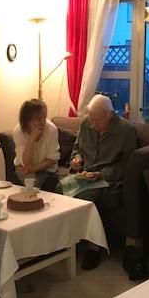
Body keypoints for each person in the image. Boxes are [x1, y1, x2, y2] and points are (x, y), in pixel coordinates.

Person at [60, 94, 137, 270]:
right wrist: (77, 159)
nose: (93, 125)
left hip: (107, 178)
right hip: (83, 174)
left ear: (110, 114)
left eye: (98, 120)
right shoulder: (86, 123)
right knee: (59, 190)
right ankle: (65, 240)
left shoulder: (126, 130)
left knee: (86, 196)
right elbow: (77, 148)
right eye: (91, 119)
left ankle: (94, 247)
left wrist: (102, 174)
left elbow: (128, 165)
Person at [13, 99, 60, 189]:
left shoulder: (51, 129)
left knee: (35, 185)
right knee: (31, 184)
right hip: (23, 166)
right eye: (38, 119)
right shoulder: (18, 131)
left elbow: (52, 159)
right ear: (27, 120)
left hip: (46, 168)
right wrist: (31, 139)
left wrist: (31, 169)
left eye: (44, 117)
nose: (43, 122)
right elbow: (26, 163)